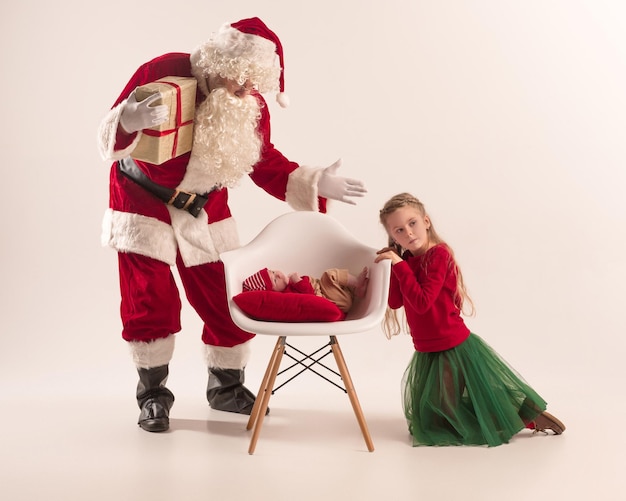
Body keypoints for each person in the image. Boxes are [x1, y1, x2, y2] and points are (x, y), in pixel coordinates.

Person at [96, 17, 367, 433]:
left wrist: (314, 182)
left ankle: (225, 388)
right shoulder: (162, 70)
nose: (244, 90)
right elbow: (108, 132)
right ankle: (152, 397)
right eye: (237, 78)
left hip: (204, 210)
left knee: (226, 298)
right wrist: (127, 123)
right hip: (142, 203)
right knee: (150, 302)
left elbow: (264, 161)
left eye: (252, 83)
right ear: (215, 61)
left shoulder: (248, 103)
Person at [374, 193, 565, 447]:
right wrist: (390, 268)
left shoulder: (439, 255)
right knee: (436, 420)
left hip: (451, 345)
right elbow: (396, 302)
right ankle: (504, 412)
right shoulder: (407, 260)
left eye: (412, 223)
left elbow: (422, 302)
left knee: (448, 419)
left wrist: (399, 266)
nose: (408, 233)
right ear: (392, 236)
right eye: (399, 229)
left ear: (426, 221)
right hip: (427, 348)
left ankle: (525, 416)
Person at [242, 266, 369, 313]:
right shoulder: (287, 295)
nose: (279, 275)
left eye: (273, 272)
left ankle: (356, 291)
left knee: (337, 282)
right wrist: (298, 282)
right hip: (329, 298)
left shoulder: (288, 286)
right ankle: (357, 283)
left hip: (337, 295)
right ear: (274, 293)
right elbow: (308, 297)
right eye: (275, 280)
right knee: (329, 275)